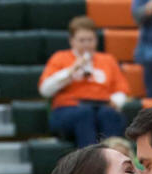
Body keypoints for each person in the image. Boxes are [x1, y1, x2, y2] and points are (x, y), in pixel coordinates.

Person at [38, 16, 129, 149]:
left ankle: (112, 157)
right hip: (69, 109)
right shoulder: (60, 58)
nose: (86, 45)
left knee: (109, 114)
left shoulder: (108, 60)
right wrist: (70, 71)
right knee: (85, 114)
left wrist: (115, 102)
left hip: (101, 107)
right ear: (72, 41)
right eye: (81, 40)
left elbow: (121, 90)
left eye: (90, 40)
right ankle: (89, 159)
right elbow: (45, 90)